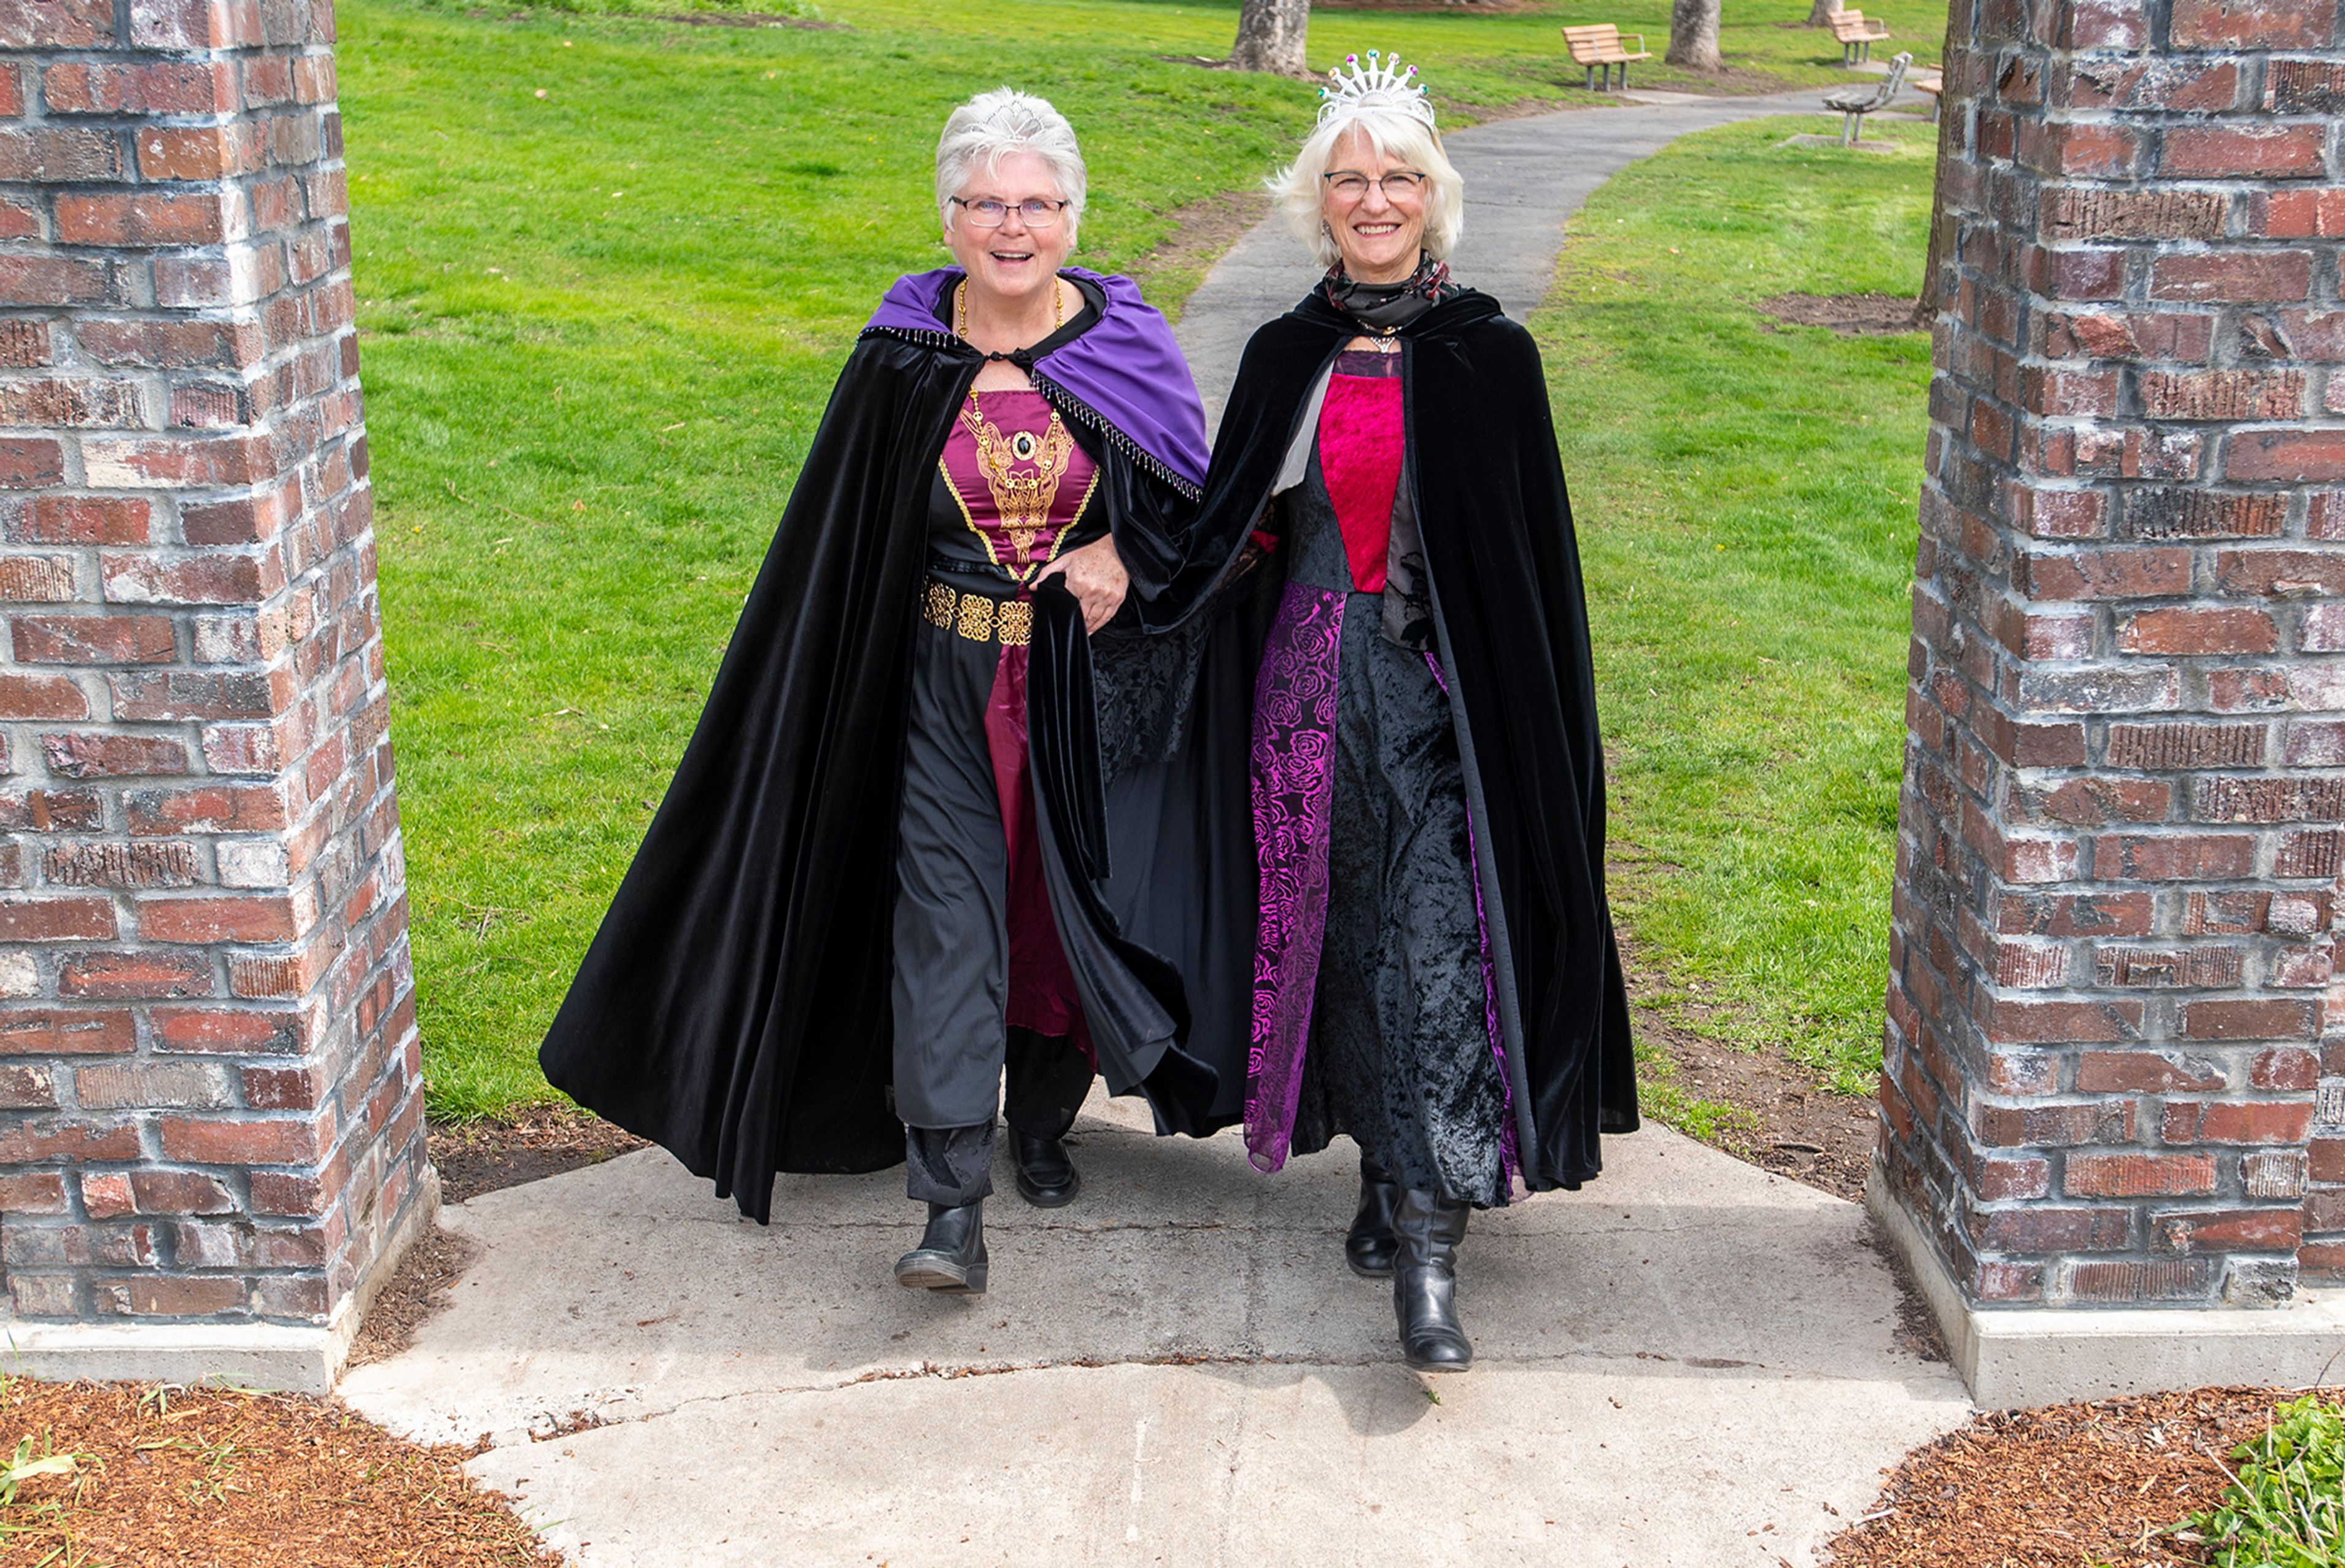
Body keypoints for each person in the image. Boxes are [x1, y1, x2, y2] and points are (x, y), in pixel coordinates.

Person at [539, 88, 1247, 1294]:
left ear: (1073, 216)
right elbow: (844, 535)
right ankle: (951, 1198)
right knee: (945, 920)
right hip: (937, 679)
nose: (1010, 226)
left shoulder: (1127, 347)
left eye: (1034, 203)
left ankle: (1041, 1124)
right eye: (985, 204)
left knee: (1059, 914)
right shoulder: (902, 357)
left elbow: (1199, 506)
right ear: (949, 217)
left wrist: (1128, 550)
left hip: (1082, 690)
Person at [1167, 53, 1639, 1371]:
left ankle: (1430, 1248)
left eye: (1400, 178)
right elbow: (1227, 531)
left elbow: (1524, 569)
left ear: (1437, 200)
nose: (1375, 199)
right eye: (1350, 180)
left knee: (1439, 944)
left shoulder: (1492, 356)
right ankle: (1384, 1164)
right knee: (1344, 927)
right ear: (1318, 204)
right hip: (1309, 697)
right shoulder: (1285, 352)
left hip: (1448, 704)